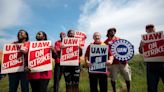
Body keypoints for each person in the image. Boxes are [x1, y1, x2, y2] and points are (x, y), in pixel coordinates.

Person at [104, 28, 131, 92]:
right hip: (113, 63)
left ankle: (128, 90)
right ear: (108, 33)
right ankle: (114, 90)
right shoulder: (105, 42)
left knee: (127, 77)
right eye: (111, 31)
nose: (113, 32)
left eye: (114, 31)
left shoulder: (119, 39)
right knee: (113, 78)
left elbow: (126, 49)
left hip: (123, 62)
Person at [138, 24, 164, 92]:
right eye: (148, 28)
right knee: (152, 87)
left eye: (151, 28)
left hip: (162, 64)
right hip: (151, 65)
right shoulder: (143, 40)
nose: (150, 29)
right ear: (146, 30)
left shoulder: (162, 37)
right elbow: (140, 51)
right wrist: (141, 46)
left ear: (154, 29)